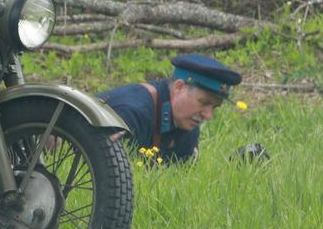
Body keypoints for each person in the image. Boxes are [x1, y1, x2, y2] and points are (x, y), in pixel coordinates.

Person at [98, 52, 241, 164]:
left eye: (214, 107)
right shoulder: (132, 113)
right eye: (203, 102)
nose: (208, 115)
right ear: (179, 87)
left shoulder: (186, 124)